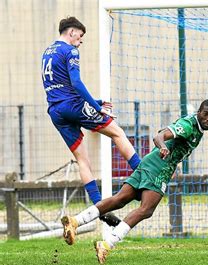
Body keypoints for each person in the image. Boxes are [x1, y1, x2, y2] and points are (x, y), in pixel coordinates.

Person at [61, 99, 208, 264]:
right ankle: (106, 244)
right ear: (199, 112)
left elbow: (165, 132)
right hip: (158, 167)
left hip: (150, 163)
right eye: (205, 114)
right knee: (146, 209)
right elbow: (159, 136)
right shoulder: (189, 125)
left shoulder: (194, 127)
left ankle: (75, 221)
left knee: (119, 200)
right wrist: (163, 148)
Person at [41, 17, 141, 226]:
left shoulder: (47, 52)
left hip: (56, 111)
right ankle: (144, 173)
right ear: (71, 32)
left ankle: (99, 208)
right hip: (73, 106)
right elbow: (76, 83)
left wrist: (94, 101)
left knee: (82, 160)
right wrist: (97, 107)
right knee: (117, 133)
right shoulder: (70, 51)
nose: (81, 40)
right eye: (80, 35)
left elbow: (60, 87)